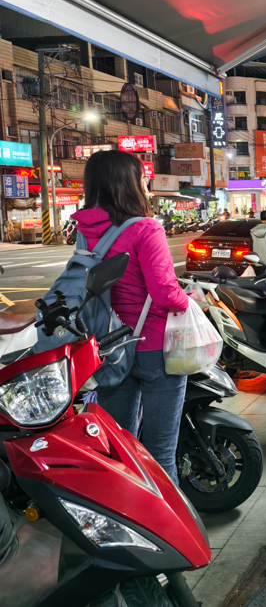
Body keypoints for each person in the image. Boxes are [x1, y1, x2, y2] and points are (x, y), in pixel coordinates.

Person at [73, 150, 191, 481]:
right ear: (130, 183)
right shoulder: (145, 229)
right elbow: (166, 293)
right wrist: (191, 300)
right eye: (141, 177)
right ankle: (168, 531)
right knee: (159, 452)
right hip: (152, 348)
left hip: (107, 349)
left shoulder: (85, 231)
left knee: (120, 451)